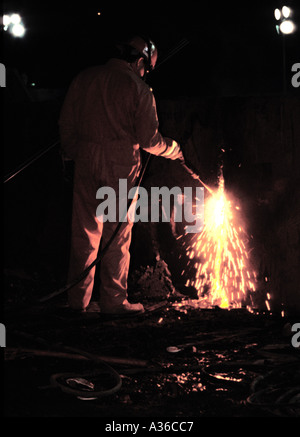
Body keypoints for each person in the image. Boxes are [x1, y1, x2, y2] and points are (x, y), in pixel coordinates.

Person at [59, 35, 184, 315]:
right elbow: (150, 140)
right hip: (119, 163)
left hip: (86, 158)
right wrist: (173, 149)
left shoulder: (83, 79)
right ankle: (114, 302)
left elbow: (66, 125)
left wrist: (73, 155)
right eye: (145, 68)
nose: (144, 72)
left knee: (84, 234)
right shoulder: (138, 88)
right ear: (140, 61)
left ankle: (77, 303)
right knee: (116, 236)